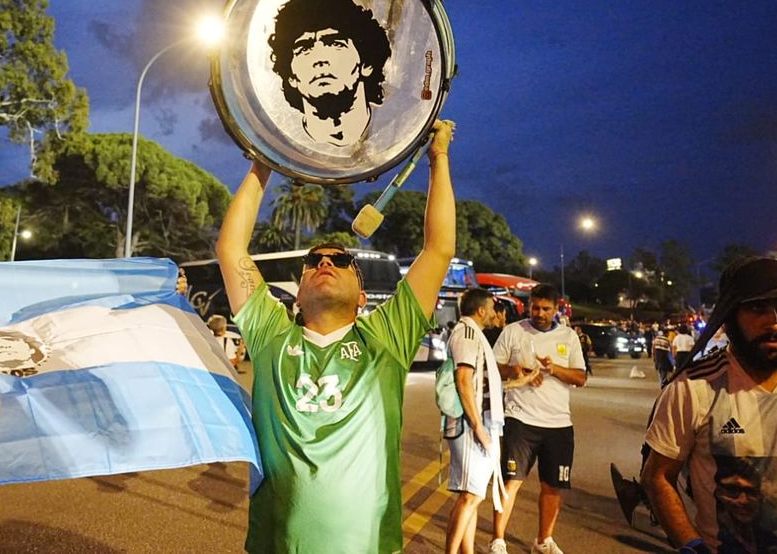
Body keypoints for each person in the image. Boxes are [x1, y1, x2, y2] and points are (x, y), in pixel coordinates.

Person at [215, 119, 455, 553]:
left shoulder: (387, 336)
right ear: (299, 291)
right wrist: (263, 163)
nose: (325, 262)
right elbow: (232, 250)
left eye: (340, 260)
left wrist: (438, 158)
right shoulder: (270, 334)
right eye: (314, 260)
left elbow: (438, 249)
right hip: (277, 543)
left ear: (362, 296)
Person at [641, 256, 777, 553]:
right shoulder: (691, 388)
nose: (775, 321)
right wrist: (691, 544)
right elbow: (658, 476)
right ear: (730, 315)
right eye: (758, 308)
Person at [489, 284, 587, 554]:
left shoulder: (568, 337)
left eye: (546, 308)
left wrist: (554, 368)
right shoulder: (513, 331)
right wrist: (514, 369)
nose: (539, 313)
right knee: (511, 482)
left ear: (557, 308)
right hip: (520, 420)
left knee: (553, 486)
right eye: (535, 307)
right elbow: (492, 365)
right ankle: (498, 540)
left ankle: (543, 541)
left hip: (558, 424)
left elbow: (581, 377)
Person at [444, 287, 540, 554]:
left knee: (473, 496)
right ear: (482, 310)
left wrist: (522, 381)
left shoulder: (475, 335)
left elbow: (483, 386)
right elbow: (463, 381)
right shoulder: (465, 334)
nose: (496, 313)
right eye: (493, 308)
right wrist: (478, 427)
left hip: (481, 423)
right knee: (470, 496)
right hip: (470, 426)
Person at [266, 0, 392, 148]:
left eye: (335, 43)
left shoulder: (398, 132)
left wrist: (438, 155)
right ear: (291, 77)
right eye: (304, 48)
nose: (320, 59)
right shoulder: (279, 146)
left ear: (366, 63)